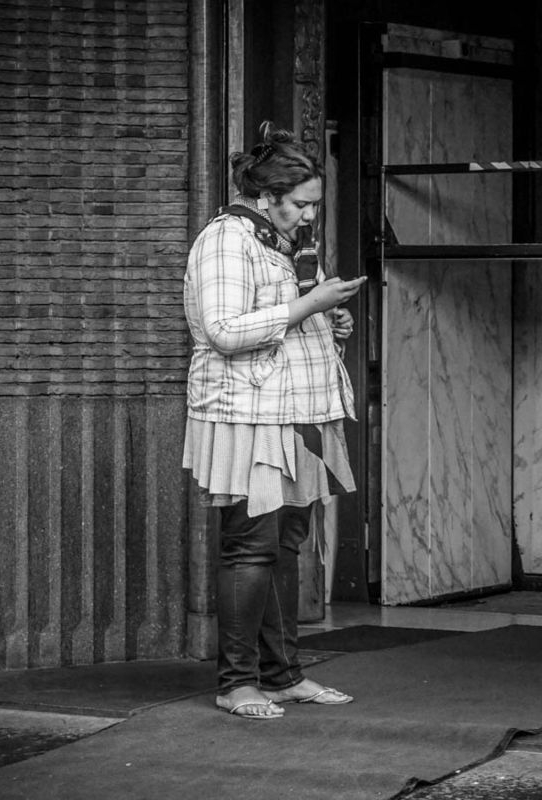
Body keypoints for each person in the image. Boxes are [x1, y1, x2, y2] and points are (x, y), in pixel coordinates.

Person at [182, 121, 367, 719]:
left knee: (283, 546)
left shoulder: (280, 243)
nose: (310, 216)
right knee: (250, 548)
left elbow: (281, 321)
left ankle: (283, 677)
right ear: (266, 196)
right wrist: (309, 304)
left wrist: (327, 322)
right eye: (302, 204)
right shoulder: (226, 239)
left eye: (315, 205)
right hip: (246, 416)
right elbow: (222, 329)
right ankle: (237, 683)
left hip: (290, 413)